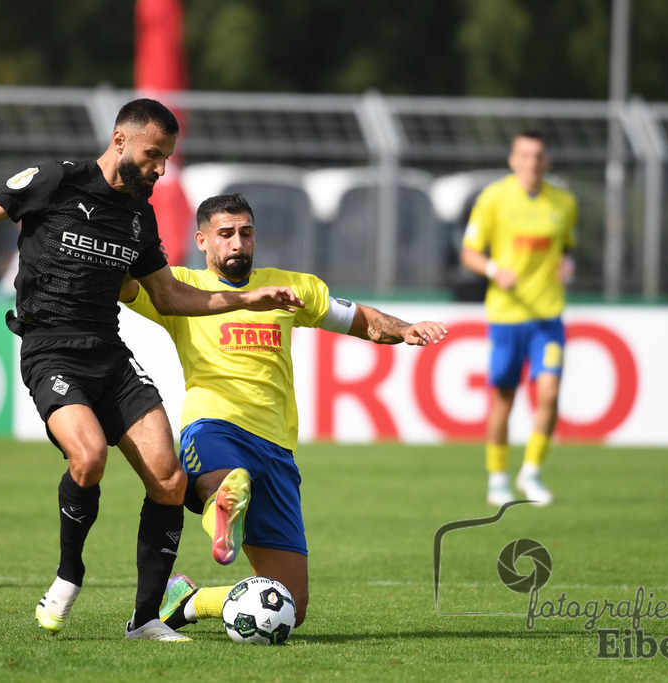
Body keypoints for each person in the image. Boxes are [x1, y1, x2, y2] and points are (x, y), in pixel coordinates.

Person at [0, 99, 303, 642]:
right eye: (153, 155)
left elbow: (170, 296)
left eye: (166, 158)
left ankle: (146, 618)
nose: (160, 168)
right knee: (88, 458)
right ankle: (68, 576)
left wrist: (246, 300)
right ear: (120, 141)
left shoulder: (139, 215)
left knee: (169, 478)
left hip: (109, 353)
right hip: (50, 350)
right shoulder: (55, 181)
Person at [118, 192, 448, 630]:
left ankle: (189, 602)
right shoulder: (179, 287)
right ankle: (223, 509)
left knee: (291, 605)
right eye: (226, 234)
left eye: (246, 232)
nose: (238, 243)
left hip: (276, 448)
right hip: (214, 424)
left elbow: (361, 321)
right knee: (226, 482)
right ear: (201, 240)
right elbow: (122, 284)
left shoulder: (290, 287)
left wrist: (406, 329)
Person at [459, 130, 578, 507]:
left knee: (550, 392)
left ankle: (532, 471)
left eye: (538, 155)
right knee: (504, 400)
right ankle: (497, 477)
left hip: (547, 315)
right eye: (524, 155)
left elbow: (567, 249)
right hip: (507, 315)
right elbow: (469, 252)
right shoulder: (494, 198)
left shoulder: (563, 202)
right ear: (513, 159)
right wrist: (495, 270)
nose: (531, 162)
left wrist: (567, 265)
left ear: (547, 160)